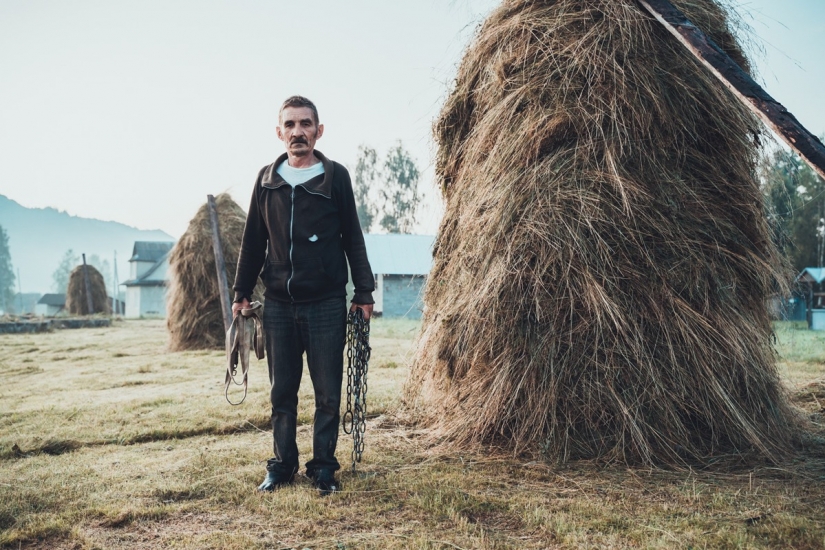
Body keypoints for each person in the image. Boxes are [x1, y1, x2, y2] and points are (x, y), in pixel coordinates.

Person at [232, 95, 374, 495]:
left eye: (306, 124)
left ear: (319, 131)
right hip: (278, 304)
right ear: (280, 133)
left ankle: (323, 467)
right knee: (282, 392)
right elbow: (252, 242)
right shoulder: (266, 180)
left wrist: (363, 291)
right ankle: (282, 465)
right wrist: (242, 291)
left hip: (326, 303)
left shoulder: (336, 177)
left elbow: (353, 237)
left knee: (328, 392)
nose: (298, 132)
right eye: (290, 125)